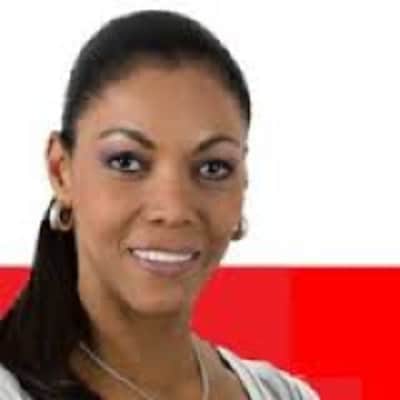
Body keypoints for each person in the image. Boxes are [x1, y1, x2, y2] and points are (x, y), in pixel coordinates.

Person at [0, 9, 319, 400]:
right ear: (61, 171)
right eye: (126, 162)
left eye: (212, 167)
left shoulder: (285, 394)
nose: (173, 210)